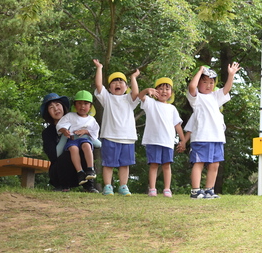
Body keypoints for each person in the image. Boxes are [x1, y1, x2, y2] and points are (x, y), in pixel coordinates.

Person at [184, 63, 240, 199]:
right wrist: (200, 71)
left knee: (215, 164)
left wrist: (231, 75)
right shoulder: (196, 98)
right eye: (205, 82)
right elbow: (192, 87)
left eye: (211, 82)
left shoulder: (215, 97)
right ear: (199, 83)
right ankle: (195, 190)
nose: (209, 85)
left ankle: (209, 189)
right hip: (201, 137)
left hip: (217, 137)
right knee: (199, 163)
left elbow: (226, 89)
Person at [93, 59, 141, 196]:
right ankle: (107, 186)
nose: (118, 83)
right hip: (109, 135)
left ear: (126, 87)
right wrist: (99, 68)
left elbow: (136, 93)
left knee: (125, 164)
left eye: (121, 82)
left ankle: (123, 186)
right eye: (114, 82)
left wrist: (133, 77)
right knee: (108, 163)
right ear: (109, 88)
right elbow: (98, 85)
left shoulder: (129, 100)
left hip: (128, 137)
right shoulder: (107, 98)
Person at [138, 77, 186, 197]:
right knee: (154, 165)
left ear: (171, 93)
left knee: (166, 165)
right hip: (153, 140)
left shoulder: (172, 108)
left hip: (168, 141)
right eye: (161, 88)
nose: (164, 91)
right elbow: (140, 96)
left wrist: (183, 140)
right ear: (155, 91)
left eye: (167, 88)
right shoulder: (150, 103)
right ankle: (152, 189)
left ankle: (167, 189)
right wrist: (147, 90)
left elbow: (177, 125)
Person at [41, 93, 99, 193]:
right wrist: (65, 135)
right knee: (69, 152)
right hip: (61, 169)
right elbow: (53, 155)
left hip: (80, 167)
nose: (56, 109)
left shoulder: (79, 122)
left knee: (86, 148)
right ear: (48, 112)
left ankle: (89, 185)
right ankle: (62, 186)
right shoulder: (48, 132)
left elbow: (97, 143)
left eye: (58, 105)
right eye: (51, 107)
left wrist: (84, 133)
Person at [56, 90, 100, 186]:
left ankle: (90, 169)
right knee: (73, 149)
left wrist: (86, 131)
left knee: (87, 145)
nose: (82, 106)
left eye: (85, 103)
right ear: (75, 105)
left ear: (90, 106)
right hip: (72, 140)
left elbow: (95, 133)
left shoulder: (91, 120)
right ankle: (79, 172)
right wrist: (64, 130)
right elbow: (60, 125)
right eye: (79, 103)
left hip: (84, 139)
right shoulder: (70, 116)